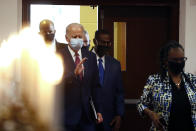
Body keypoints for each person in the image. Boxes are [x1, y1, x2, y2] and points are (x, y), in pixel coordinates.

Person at [137, 40, 196, 131]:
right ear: (165, 61)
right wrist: (151, 114)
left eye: (182, 59)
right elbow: (141, 104)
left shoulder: (192, 80)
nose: (179, 62)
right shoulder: (154, 80)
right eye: (175, 60)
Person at [56, 23, 103, 131]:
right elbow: (55, 86)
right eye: (74, 37)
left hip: (87, 117)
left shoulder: (90, 57)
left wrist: (99, 110)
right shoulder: (58, 56)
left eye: (80, 37)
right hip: (66, 117)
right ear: (66, 38)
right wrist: (74, 75)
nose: (78, 39)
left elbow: (95, 86)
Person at [92, 30, 124, 131]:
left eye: (108, 43)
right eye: (102, 42)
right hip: (88, 118)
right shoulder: (85, 60)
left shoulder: (115, 64)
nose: (106, 45)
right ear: (95, 41)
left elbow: (119, 92)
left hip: (109, 119)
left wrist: (119, 115)